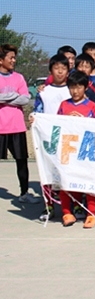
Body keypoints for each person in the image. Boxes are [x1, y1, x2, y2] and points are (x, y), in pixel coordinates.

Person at [56, 71, 95, 228]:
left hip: (86, 151)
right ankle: (67, 213)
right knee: (66, 182)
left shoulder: (91, 106)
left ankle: (91, 213)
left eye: (78, 87)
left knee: (88, 183)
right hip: (68, 150)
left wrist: (82, 122)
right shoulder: (64, 105)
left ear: (85, 87)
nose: (75, 91)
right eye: (72, 87)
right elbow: (56, 124)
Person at [32, 54, 72, 221]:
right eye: (56, 68)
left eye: (63, 69)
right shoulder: (43, 92)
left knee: (68, 174)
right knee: (47, 173)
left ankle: (70, 207)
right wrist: (34, 119)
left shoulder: (72, 89)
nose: (60, 72)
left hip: (68, 139)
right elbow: (37, 111)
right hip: (49, 139)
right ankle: (48, 207)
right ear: (50, 71)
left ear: (68, 71)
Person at [0, 44, 35, 204]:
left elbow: (25, 98)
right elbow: (17, 97)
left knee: (22, 161)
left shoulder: (19, 77)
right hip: (1, 127)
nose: (14, 60)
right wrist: (13, 96)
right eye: (10, 58)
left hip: (17, 127)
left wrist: (5, 97)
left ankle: (24, 192)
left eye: (15, 57)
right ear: (1, 60)